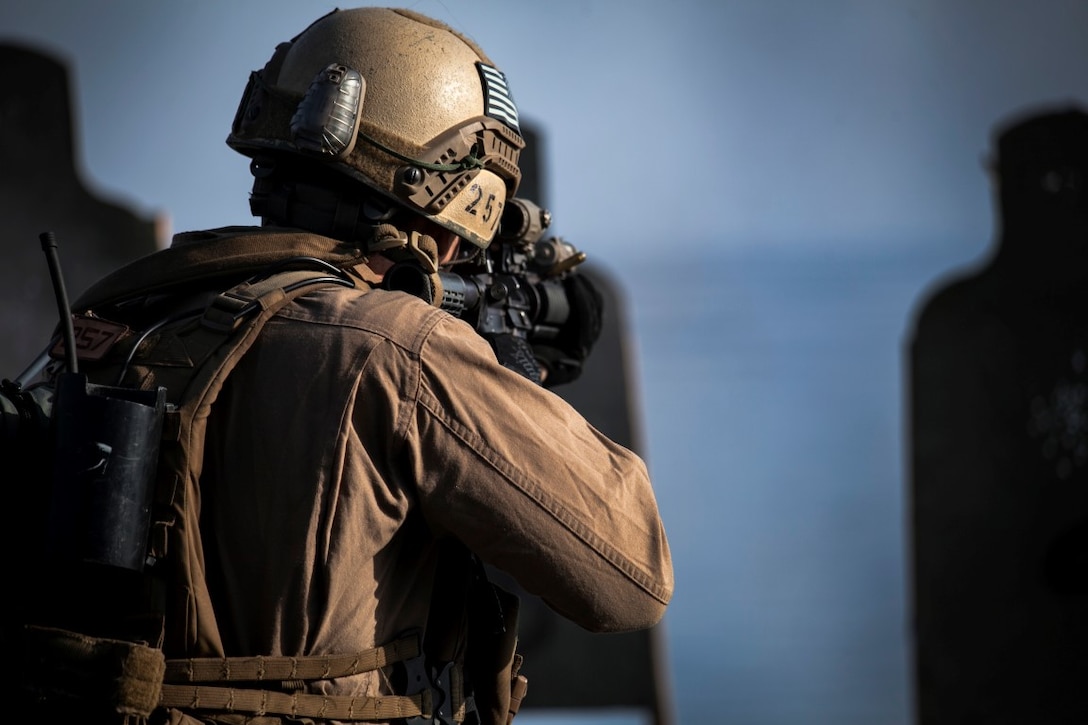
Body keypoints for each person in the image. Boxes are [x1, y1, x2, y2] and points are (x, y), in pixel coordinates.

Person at [12, 7, 673, 725]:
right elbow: (632, 575)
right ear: (447, 198)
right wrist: (502, 383)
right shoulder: (400, 348)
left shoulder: (129, 310)